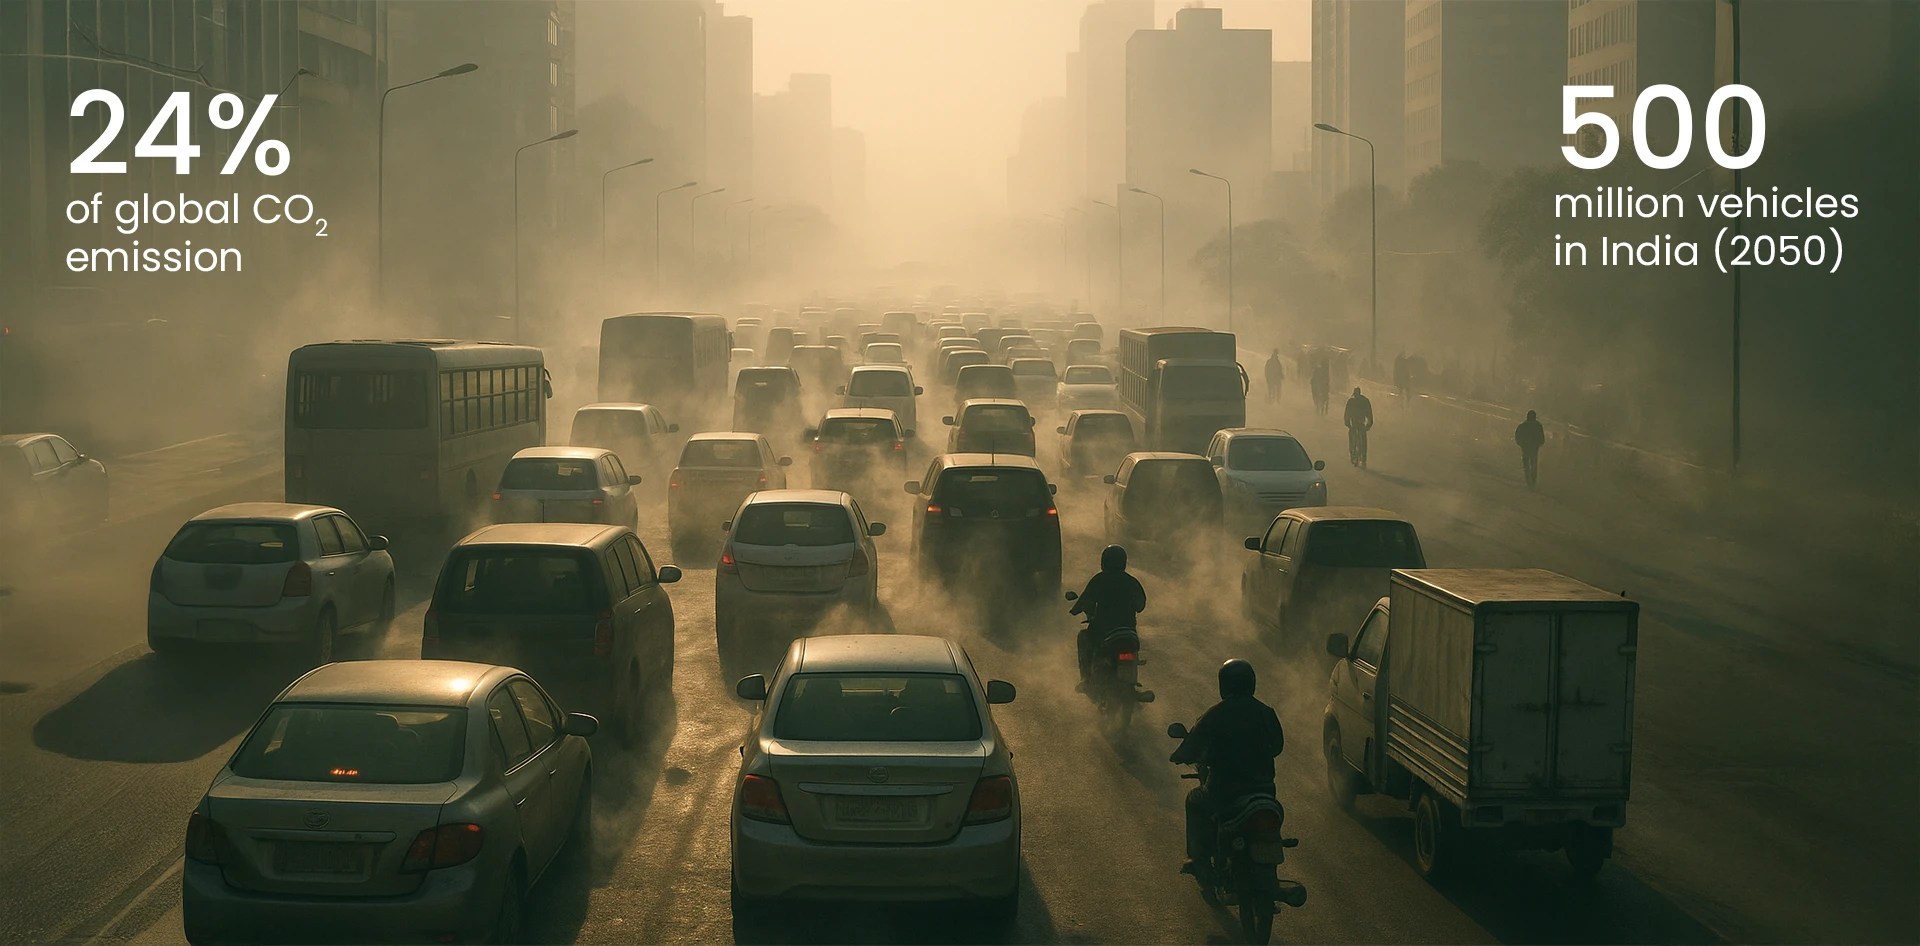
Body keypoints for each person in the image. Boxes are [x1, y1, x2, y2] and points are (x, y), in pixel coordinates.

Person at [1172, 659, 1286, 876]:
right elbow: (1277, 746)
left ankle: (1198, 859)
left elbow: (1192, 746)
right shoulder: (1265, 712)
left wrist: (1179, 755)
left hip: (1224, 792)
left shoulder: (1215, 715)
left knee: (1194, 800)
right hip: (1264, 792)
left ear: (1223, 685)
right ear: (1251, 683)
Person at [1070, 545, 1147, 690]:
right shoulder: (1132, 581)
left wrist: (1076, 608)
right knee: (1131, 652)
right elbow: (1140, 605)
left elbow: (1084, 602)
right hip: (1128, 633)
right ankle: (1132, 686)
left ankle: (1087, 679)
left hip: (1104, 633)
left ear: (1104, 562)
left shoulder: (1099, 580)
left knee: (1083, 637)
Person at [1514, 409, 1546, 488]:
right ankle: (1533, 482)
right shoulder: (1538, 426)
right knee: (1533, 464)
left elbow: (1517, 436)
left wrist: (1521, 444)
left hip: (1525, 448)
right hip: (1534, 449)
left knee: (1527, 465)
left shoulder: (1523, 425)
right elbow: (1542, 439)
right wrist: (1538, 444)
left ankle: (1529, 481)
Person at [1343, 386, 1374, 467]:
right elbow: (1369, 413)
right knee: (1363, 442)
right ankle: (1363, 460)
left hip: (1354, 424)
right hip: (1360, 424)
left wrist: (1347, 423)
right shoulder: (1365, 401)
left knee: (1353, 441)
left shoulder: (1351, 401)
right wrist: (1369, 424)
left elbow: (1347, 414)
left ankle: (1354, 456)